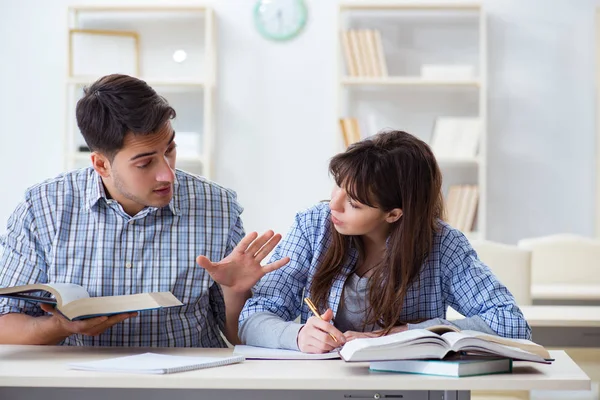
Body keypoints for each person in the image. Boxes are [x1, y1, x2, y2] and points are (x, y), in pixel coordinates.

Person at [0, 74, 288, 347]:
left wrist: (236, 291)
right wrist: (61, 327)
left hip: (186, 385)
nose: (168, 174)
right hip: (79, 384)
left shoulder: (217, 205)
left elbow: (238, 336)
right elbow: (5, 322)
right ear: (101, 164)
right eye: (145, 163)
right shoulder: (42, 208)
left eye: (170, 150)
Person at [239, 130, 531, 354]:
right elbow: (251, 318)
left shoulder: (443, 245)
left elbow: (511, 323)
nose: (334, 205)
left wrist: (404, 334)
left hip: (408, 388)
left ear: (393, 213)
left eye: (353, 203)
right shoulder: (313, 226)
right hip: (320, 386)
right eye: (338, 186)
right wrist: (299, 336)